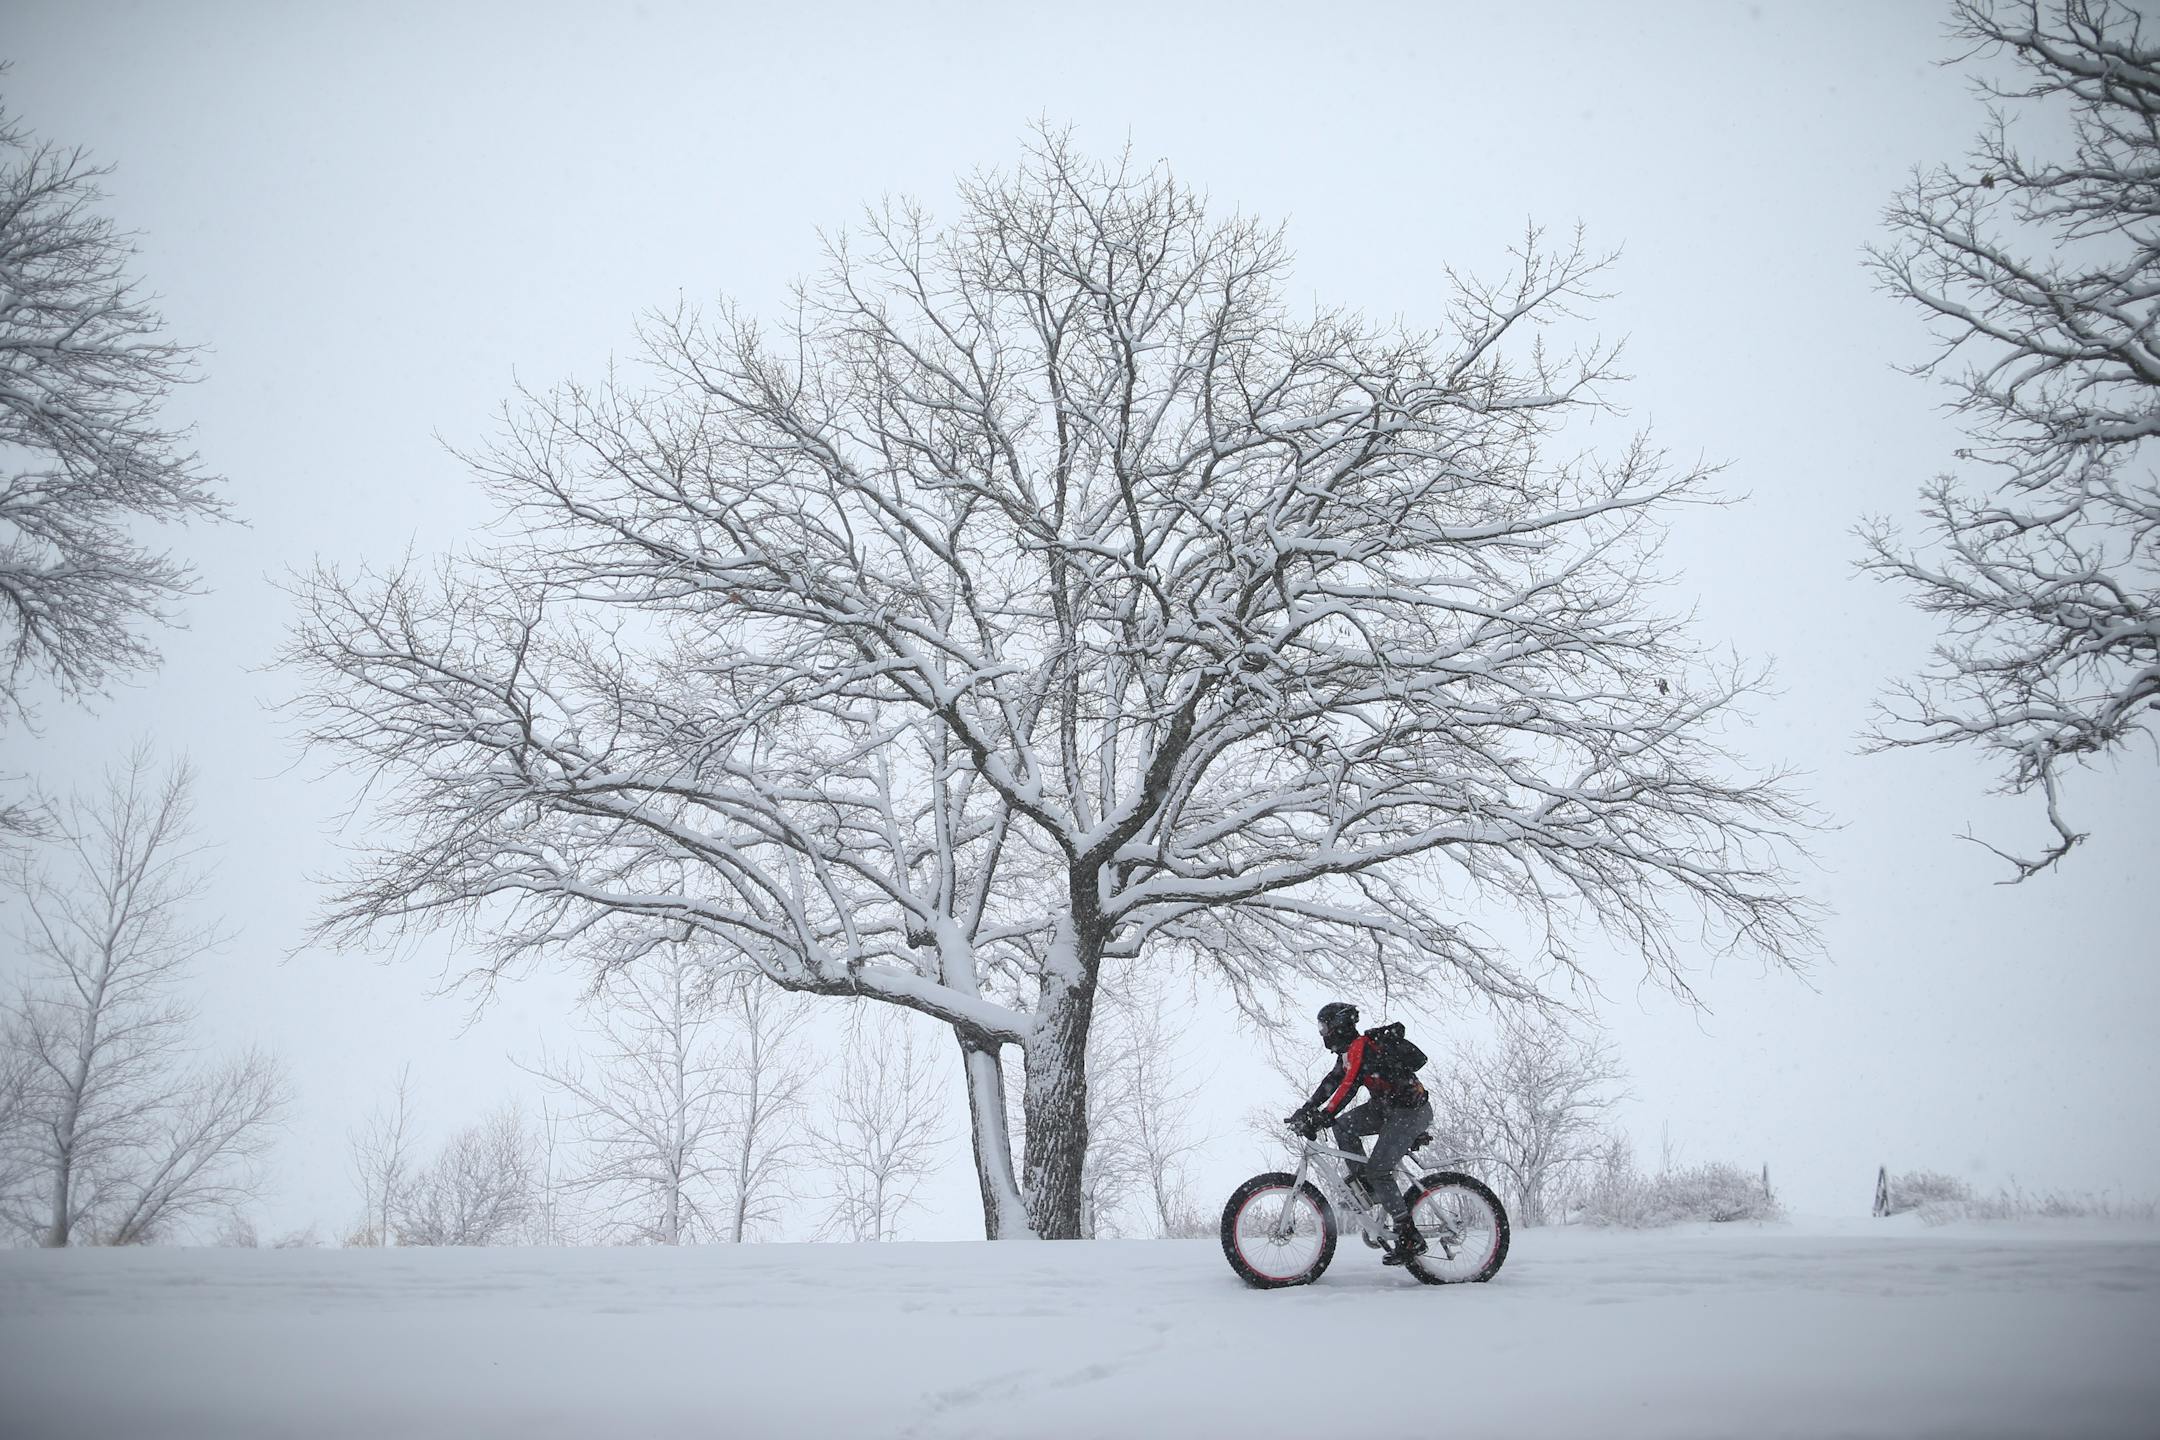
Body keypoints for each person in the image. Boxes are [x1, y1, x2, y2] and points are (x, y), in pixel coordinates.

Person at [1284, 1001, 1433, 1264]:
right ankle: (1369, 1189)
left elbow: (1349, 1086)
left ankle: (1409, 1235)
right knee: (1343, 1127)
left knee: (1379, 1169)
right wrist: (1306, 1109)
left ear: (1338, 1026)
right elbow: (1331, 1083)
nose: (1323, 1033)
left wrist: (1324, 1116)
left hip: (1408, 1112)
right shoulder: (1350, 1051)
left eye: (1325, 1026)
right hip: (1385, 1107)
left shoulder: (1362, 1048)